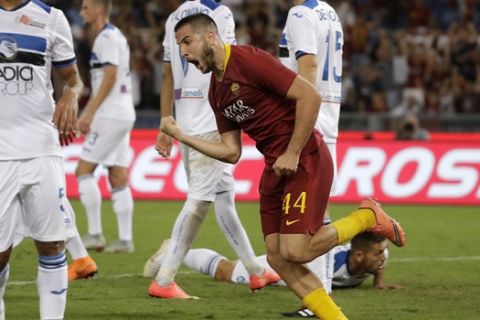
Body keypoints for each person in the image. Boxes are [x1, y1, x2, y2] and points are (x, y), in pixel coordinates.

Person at [161, 13, 406, 320]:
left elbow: (310, 96)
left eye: (187, 41)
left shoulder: (249, 60)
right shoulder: (216, 91)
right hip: (276, 168)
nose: (183, 52)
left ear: (211, 37)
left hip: (305, 157)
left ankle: (367, 216)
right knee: (278, 257)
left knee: (298, 251)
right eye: (179, 45)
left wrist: (292, 151)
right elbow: (230, 151)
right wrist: (183, 136)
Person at [149, 0, 279, 299]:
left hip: (184, 119)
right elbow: (228, 64)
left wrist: (165, 123)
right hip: (212, 119)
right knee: (198, 201)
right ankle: (165, 279)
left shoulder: (174, 19)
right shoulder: (219, 13)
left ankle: (256, 272)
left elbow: (168, 76)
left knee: (223, 198)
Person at [0, 0, 83, 318]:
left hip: (41, 147)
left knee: (52, 245)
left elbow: (73, 78)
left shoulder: (52, 18)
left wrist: (70, 95)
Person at [279, 0, 345, 296]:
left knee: (308, 215)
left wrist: (299, 119)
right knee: (319, 211)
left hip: (309, 120)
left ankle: (316, 296)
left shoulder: (300, 13)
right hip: (328, 117)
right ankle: (324, 291)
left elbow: (308, 65)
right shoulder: (330, 13)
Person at [143, 232, 403, 291]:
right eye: (378, 254)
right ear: (358, 257)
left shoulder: (374, 257)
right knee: (227, 271)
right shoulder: (330, 263)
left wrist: (379, 282)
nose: (383, 258)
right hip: (282, 264)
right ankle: (173, 252)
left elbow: (383, 257)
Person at [76, 0, 136, 253]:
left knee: (83, 170)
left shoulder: (106, 38)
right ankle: (125, 239)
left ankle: (95, 234)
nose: (81, 12)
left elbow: (109, 76)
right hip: (123, 111)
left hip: (110, 113)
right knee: (117, 173)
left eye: (86, 7)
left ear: (99, 9)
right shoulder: (114, 36)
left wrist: (88, 112)